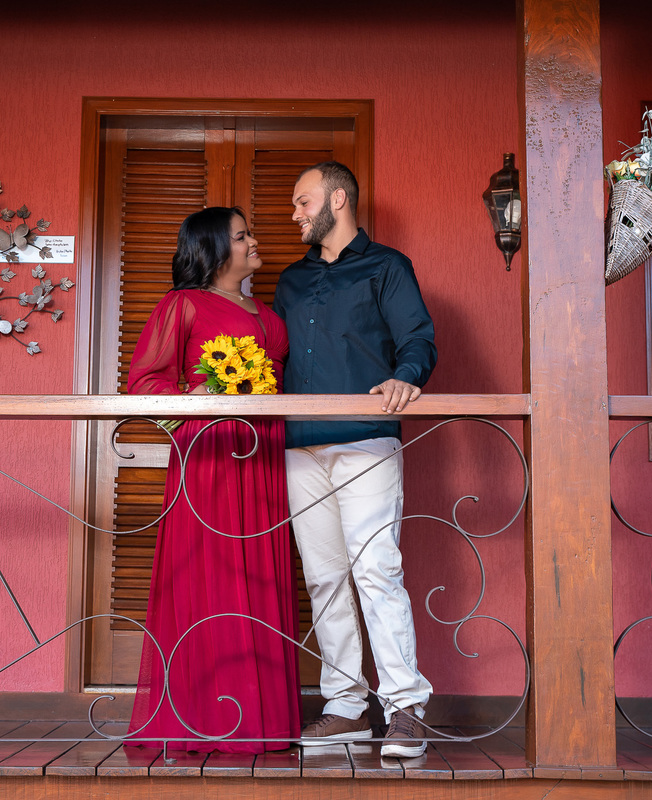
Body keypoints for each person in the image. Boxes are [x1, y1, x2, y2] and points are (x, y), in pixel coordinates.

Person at [273, 162, 436, 759]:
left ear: (337, 200)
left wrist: (405, 378)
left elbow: (418, 337)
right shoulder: (289, 281)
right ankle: (344, 707)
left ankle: (405, 707)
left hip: (365, 440)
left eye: (302, 201)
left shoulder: (388, 267)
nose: (294, 214)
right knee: (324, 579)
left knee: (376, 571)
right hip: (298, 447)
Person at [126, 207, 300, 753]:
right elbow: (143, 385)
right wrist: (197, 399)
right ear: (213, 249)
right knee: (211, 577)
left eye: (251, 233)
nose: (254, 241)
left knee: (260, 582)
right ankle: (203, 718)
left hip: (265, 461)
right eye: (243, 235)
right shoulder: (182, 305)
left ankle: (260, 719)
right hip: (209, 463)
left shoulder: (268, 314)